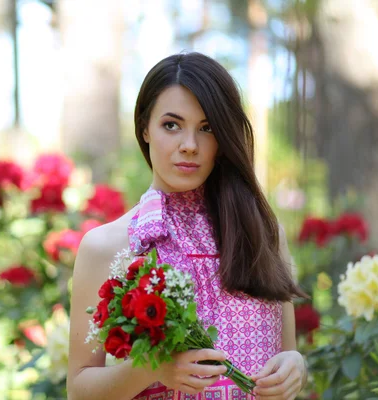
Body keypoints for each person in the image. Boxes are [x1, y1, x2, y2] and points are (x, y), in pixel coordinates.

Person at [67, 52, 308, 400]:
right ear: (144, 128)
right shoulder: (107, 245)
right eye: (171, 125)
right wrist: (153, 367)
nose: (190, 146)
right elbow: (79, 390)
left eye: (207, 128)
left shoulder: (263, 234)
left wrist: (295, 364)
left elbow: (287, 349)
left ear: (223, 140)